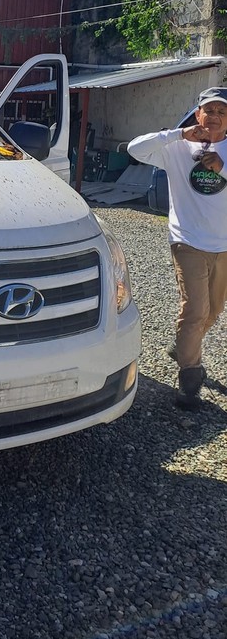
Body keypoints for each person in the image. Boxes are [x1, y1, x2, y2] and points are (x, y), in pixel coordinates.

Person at [127, 86, 227, 410]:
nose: (214, 116)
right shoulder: (176, 147)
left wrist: (221, 166)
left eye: (221, 112)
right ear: (198, 114)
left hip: (224, 245)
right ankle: (190, 378)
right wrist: (177, 133)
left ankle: (183, 344)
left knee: (212, 311)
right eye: (208, 110)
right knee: (196, 309)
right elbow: (134, 149)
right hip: (187, 240)